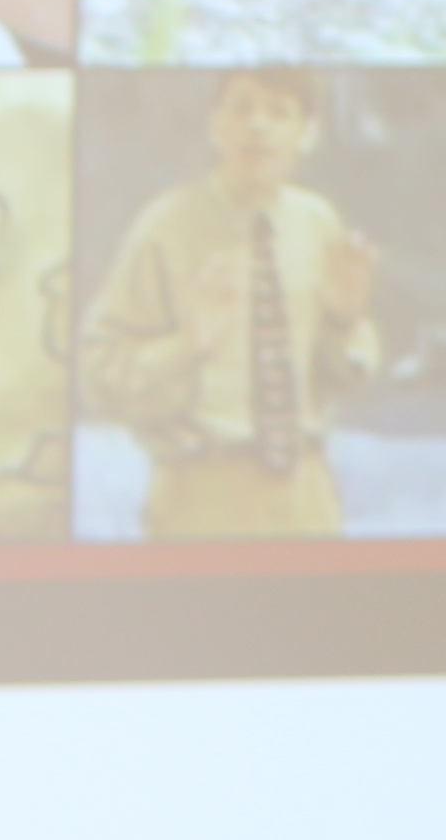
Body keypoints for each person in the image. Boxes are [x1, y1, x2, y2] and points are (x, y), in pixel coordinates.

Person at [81, 68, 381, 540]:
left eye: (279, 113)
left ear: (307, 133)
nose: (258, 126)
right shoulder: (167, 225)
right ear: (215, 124)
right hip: (202, 491)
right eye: (242, 109)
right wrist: (187, 346)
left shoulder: (318, 223)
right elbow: (99, 372)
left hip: (305, 495)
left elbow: (337, 380)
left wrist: (343, 322)